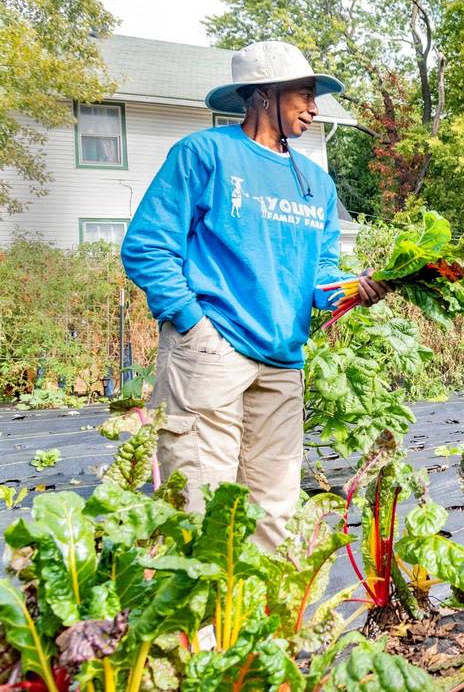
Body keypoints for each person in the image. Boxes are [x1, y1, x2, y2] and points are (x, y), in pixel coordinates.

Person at [122, 40, 389, 550]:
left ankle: (265, 626)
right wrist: (191, 321)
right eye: (305, 95)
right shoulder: (205, 155)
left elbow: (321, 277)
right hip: (210, 353)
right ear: (264, 94)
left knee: (276, 507)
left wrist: (357, 290)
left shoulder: (316, 183)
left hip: (283, 361)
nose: (315, 108)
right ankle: (204, 631)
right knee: (198, 505)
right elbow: (147, 248)